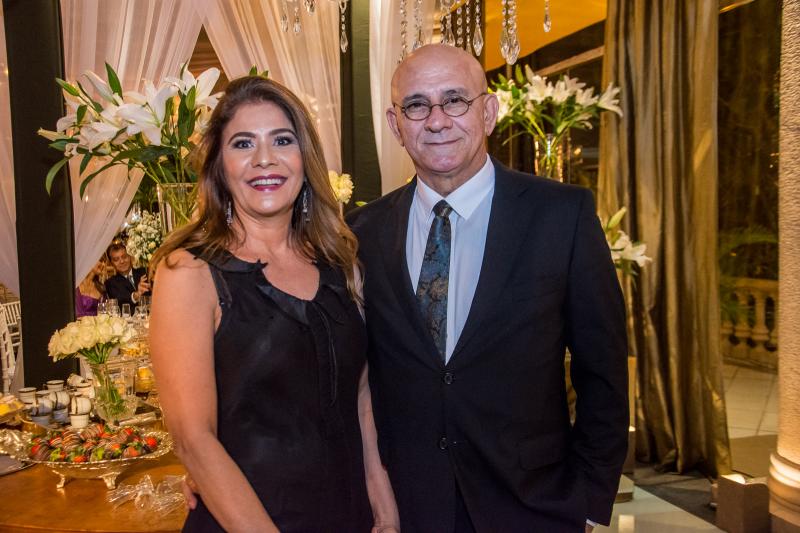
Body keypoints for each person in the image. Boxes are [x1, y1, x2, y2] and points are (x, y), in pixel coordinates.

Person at [346, 44, 629, 532]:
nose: (437, 121)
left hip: (532, 505)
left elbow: (603, 371)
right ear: (396, 125)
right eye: (417, 105)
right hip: (406, 507)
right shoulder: (360, 233)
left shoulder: (562, 216)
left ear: (489, 112)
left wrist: (587, 499)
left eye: (455, 100)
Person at [149, 76, 399, 532]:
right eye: (243, 143)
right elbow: (193, 440)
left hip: (347, 516)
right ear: (219, 165)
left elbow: (359, 401)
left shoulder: (342, 263)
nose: (264, 158)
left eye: (282, 140)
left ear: (305, 158)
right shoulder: (189, 272)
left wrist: (385, 511)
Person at [104, 242, 149, 310]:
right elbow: (120, 302)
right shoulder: (110, 283)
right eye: (116, 260)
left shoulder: (144, 272)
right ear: (111, 263)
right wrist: (137, 294)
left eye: (124, 257)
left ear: (130, 256)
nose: (122, 261)